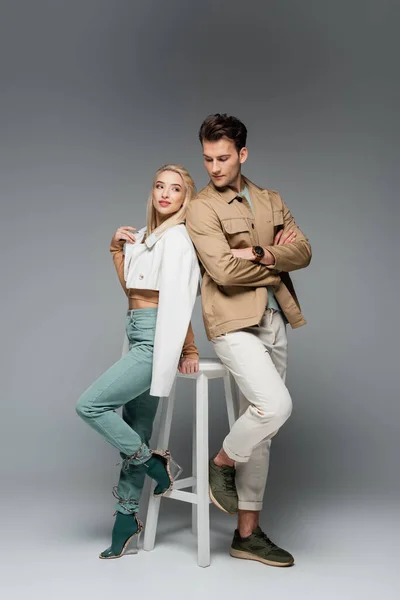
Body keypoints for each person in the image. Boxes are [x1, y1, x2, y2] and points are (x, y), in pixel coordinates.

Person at [186, 114, 312, 568]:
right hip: (232, 322)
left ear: (242, 153)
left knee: (264, 431)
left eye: (222, 158)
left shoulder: (270, 199)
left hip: (275, 320)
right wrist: (278, 260)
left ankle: (247, 536)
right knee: (274, 406)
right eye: (207, 159)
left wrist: (258, 251)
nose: (214, 167)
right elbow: (222, 270)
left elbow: (305, 250)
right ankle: (221, 462)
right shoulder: (201, 207)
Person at [76, 164, 200, 559]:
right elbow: (132, 287)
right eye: (159, 186)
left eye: (175, 189)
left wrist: (189, 349)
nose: (165, 193)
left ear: (185, 198)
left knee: (91, 405)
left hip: (156, 337)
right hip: (137, 330)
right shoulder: (146, 237)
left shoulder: (180, 239)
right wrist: (116, 248)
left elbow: (179, 302)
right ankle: (127, 518)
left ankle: (155, 464)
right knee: (136, 427)